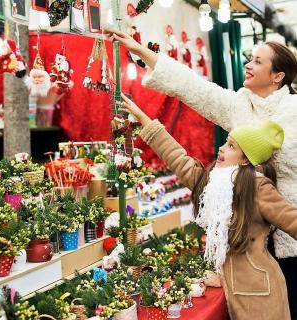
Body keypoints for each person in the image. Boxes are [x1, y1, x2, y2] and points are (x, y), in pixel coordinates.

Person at [104, 28, 297, 319]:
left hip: (287, 232)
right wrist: (141, 51)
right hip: (245, 231)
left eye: (258, 61)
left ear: (278, 75)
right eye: (250, 58)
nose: (248, 64)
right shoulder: (240, 106)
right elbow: (193, 88)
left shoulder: (293, 111)